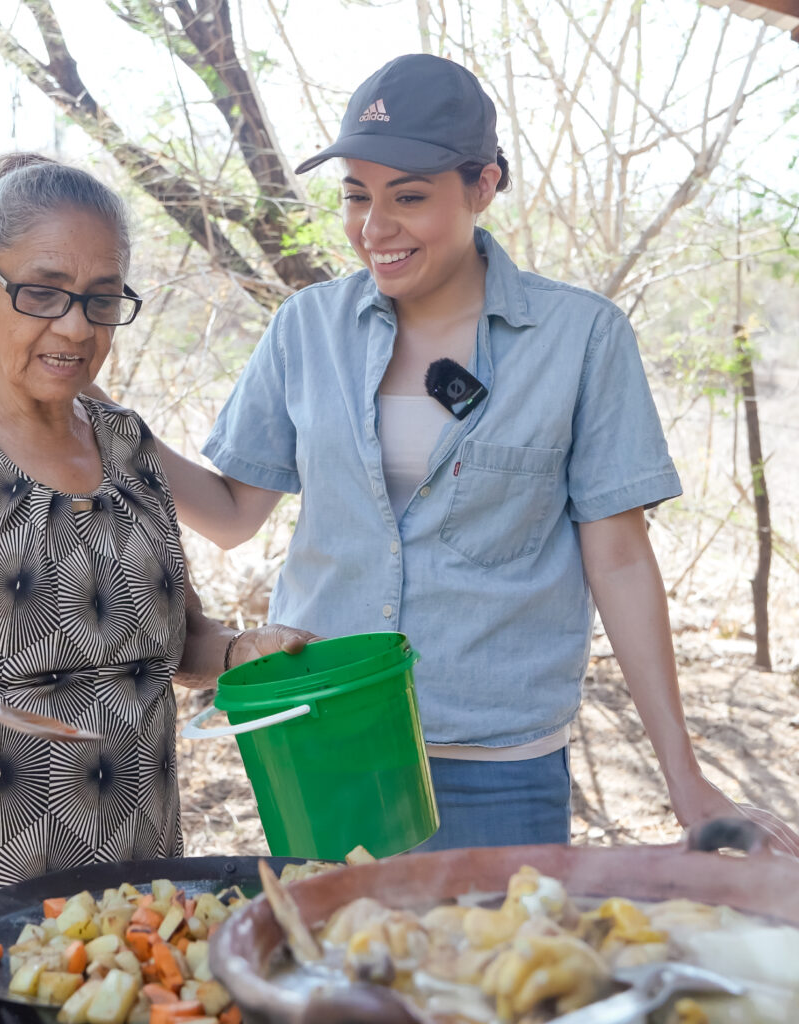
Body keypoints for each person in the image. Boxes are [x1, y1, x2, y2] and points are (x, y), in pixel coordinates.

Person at [152, 55, 799, 854]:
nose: (374, 228)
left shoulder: (581, 340)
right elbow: (231, 516)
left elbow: (621, 562)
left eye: (409, 197)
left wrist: (683, 775)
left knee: (493, 974)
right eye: (357, 195)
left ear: (483, 185)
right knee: (334, 972)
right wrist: (119, 433)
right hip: (324, 742)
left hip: (501, 765)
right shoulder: (305, 329)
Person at [0, 153, 314, 940]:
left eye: (101, 301)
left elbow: (181, 644)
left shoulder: (128, 445)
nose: (75, 327)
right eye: (42, 293)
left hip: (137, 891)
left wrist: (242, 654)